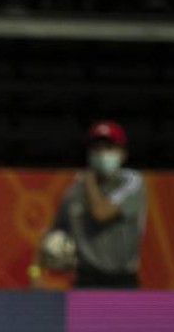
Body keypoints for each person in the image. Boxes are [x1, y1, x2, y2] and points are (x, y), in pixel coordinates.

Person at [30, 120, 146, 289]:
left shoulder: (133, 182)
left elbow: (100, 213)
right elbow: (51, 234)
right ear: (89, 154)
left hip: (122, 280)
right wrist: (35, 274)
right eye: (97, 149)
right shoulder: (73, 192)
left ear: (122, 154)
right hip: (86, 281)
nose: (102, 154)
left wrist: (89, 181)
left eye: (109, 148)